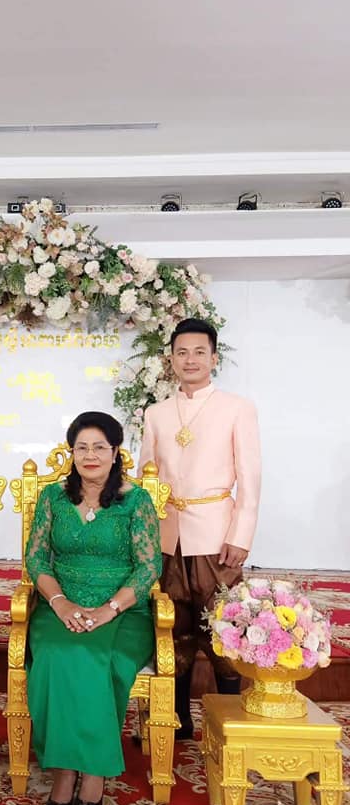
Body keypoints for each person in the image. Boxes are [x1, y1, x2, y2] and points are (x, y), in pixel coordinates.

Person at [26, 411, 162, 805]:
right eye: (81, 448)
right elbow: (36, 558)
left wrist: (109, 609)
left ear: (115, 452)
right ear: (71, 453)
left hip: (123, 610)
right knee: (56, 655)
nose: (90, 455)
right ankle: (65, 770)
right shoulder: (52, 497)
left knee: (101, 659)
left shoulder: (136, 500)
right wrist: (60, 602)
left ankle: (94, 772)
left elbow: (149, 567)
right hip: (60, 606)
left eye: (99, 447)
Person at [138, 317, 261, 739]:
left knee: (223, 628)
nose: (190, 360)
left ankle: (227, 720)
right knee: (173, 629)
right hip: (167, 534)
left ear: (213, 357)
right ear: (170, 358)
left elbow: (251, 478)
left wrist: (240, 535)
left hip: (215, 535)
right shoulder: (156, 413)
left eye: (198, 352)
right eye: (181, 352)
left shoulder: (236, 408)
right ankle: (177, 718)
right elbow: (146, 476)